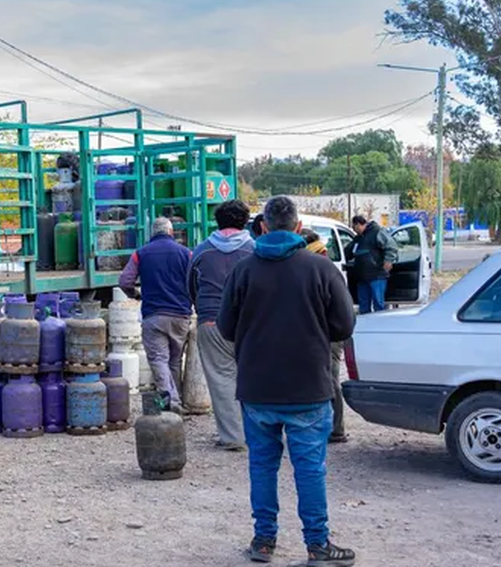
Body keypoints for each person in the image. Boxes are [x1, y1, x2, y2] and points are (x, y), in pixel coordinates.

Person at [218, 196, 356, 566]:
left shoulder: (243, 271)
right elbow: (344, 325)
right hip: (308, 388)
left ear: (263, 227)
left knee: (262, 466)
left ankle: (263, 542)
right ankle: (318, 545)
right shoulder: (322, 269)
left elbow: (226, 328)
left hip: (257, 389)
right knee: (309, 468)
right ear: (298, 228)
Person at [188, 199, 254, 451]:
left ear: (217, 221)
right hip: (249, 323)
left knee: (221, 379)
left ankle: (232, 437)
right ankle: (255, 433)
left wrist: (202, 309)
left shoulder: (202, 250)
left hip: (211, 320)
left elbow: (191, 286)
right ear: (245, 221)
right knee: (251, 377)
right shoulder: (254, 250)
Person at [118, 217, 194, 412]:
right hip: (180, 316)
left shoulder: (141, 253)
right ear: (171, 232)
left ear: (152, 233)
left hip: (154, 315)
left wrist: (136, 294)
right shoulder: (186, 253)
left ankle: (172, 402)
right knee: (175, 361)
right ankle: (176, 401)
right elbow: (196, 280)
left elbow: (125, 281)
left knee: (159, 359)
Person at [302, 229, 349, 445]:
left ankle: (336, 429)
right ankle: (331, 427)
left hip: (328, 334)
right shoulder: (323, 262)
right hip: (329, 333)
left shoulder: (318, 265)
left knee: (329, 379)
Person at [349, 215, 398, 314]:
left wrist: (388, 260)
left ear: (358, 225)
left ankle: (380, 326)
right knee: (363, 306)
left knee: (378, 304)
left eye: (354, 227)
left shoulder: (377, 232)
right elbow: (349, 251)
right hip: (362, 277)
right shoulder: (358, 238)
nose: (354, 230)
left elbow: (391, 246)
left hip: (377, 275)